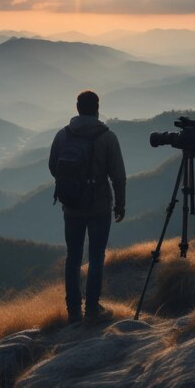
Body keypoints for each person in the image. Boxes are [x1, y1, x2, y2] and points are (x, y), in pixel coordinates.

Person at [49, 90, 126, 324]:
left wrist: (74, 186)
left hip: (71, 207)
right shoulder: (107, 137)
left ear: (77, 108)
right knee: (95, 257)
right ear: (97, 108)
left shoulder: (63, 135)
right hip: (99, 206)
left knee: (73, 257)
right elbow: (118, 176)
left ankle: (73, 310)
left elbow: (54, 167)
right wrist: (120, 203)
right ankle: (92, 308)